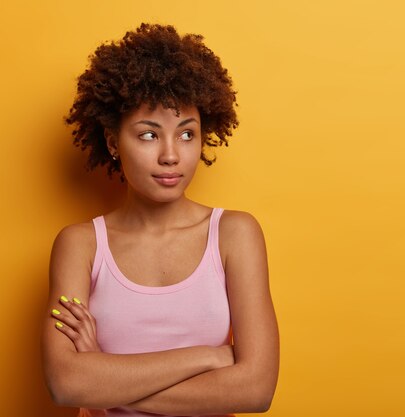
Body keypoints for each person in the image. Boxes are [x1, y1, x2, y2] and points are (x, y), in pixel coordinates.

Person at [41, 23, 279, 417]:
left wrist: (102, 378)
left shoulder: (234, 235)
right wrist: (209, 357)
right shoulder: (80, 244)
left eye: (187, 135)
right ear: (114, 142)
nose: (171, 155)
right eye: (149, 135)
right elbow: (65, 383)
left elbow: (256, 390)